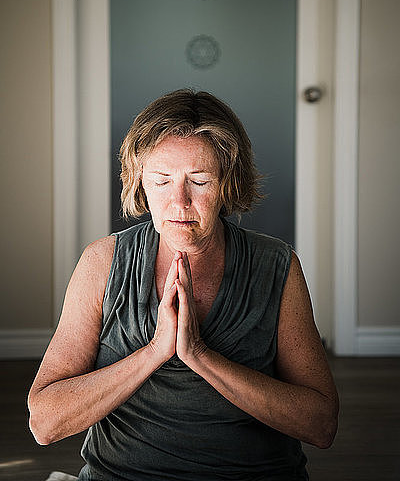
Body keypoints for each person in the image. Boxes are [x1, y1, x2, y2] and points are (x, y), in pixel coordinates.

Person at [28, 88, 339, 481]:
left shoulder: (275, 265)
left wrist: (199, 355)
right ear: (139, 183)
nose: (179, 201)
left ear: (227, 184)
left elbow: (321, 425)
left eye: (200, 180)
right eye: (161, 181)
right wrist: (155, 352)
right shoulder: (102, 262)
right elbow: (45, 422)